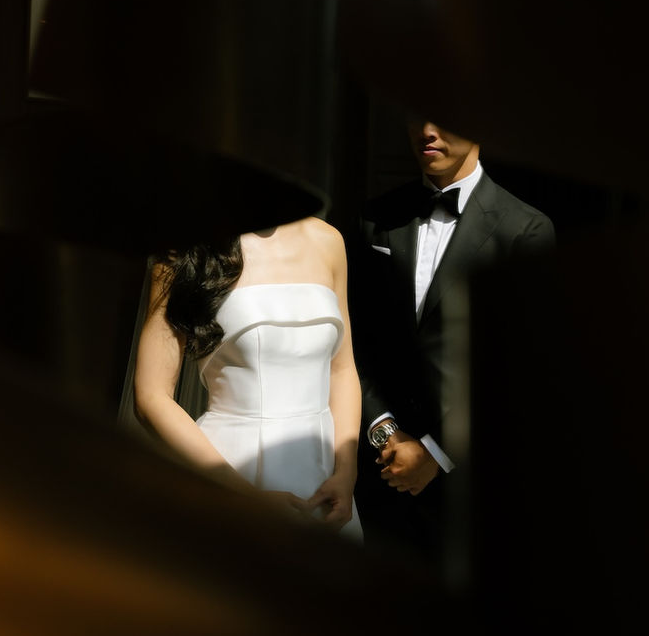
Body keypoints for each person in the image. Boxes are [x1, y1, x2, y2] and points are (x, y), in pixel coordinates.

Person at [352, 117, 555, 569]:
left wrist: (434, 453)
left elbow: (517, 368)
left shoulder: (526, 229)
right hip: (378, 471)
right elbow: (356, 338)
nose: (427, 131)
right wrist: (383, 430)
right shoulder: (376, 218)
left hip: (469, 484)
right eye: (416, 117)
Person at [134, 217, 362, 538]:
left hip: (324, 483)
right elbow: (150, 396)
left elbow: (342, 369)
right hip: (230, 473)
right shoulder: (184, 251)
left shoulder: (327, 240)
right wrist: (243, 495)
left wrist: (346, 472)